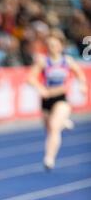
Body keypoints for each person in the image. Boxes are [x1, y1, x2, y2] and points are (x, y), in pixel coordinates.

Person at [28, 29, 87, 170]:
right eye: (49, 45)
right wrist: (40, 88)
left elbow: (80, 74)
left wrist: (82, 86)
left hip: (61, 99)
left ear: (61, 46)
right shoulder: (43, 61)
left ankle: (49, 158)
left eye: (54, 45)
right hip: (47, 99)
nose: (51, 48)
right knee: (49, 130)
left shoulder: (67, 61)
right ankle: (63, 122)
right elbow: (30, 78)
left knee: (54, 127)